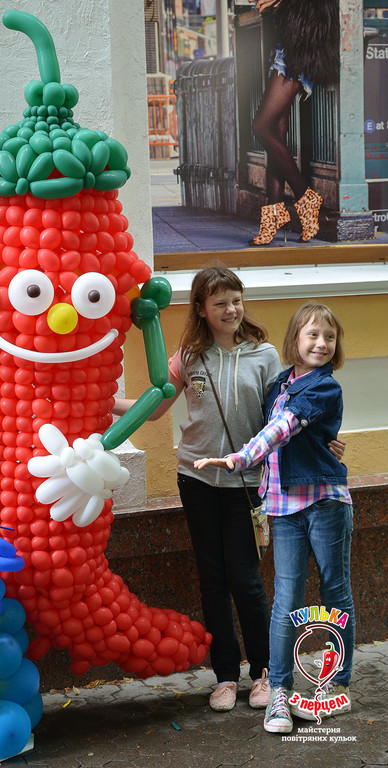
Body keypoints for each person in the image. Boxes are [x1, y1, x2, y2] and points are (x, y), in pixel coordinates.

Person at [113, 266, 344, 713]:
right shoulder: (189, 356)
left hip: (247, 482)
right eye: (220, 303)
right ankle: (224, 676)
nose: (231, 310)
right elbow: (155, 408)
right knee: (212, 579)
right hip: (196, 480)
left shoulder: (265, 355)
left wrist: (325, 441)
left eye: (236, 301)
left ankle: (263, 672)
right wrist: (102, 404)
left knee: (245, 578)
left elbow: (289, 416)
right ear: (201, 308)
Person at [195, 303, 355, 734]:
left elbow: (283, 427)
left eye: (330, 337)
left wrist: (238, 458)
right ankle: (280, 692)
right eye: (313, 335)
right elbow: (280, 427)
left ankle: (337, 684)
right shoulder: (280, 383)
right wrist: (324, 442)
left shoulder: (325, 387)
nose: (321, 343)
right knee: (286, 601)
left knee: (336, 594)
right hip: (283, 507)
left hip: (324, 502)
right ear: (295, 339)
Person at [247, 0, 339, 245]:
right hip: (284, 47)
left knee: (262, 126)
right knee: (276, 133)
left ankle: (305, 197)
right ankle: (273, 214)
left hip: (296, 51)